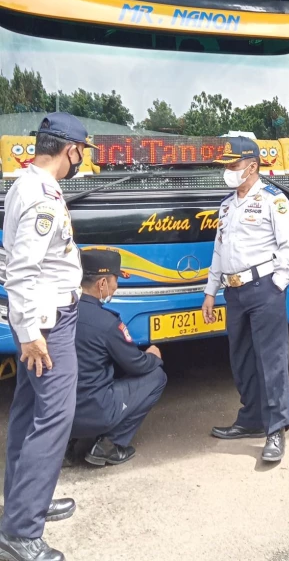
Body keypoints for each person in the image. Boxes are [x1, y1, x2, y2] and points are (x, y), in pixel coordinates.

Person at [0, 113, 93, 561]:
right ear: (70, 150)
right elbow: (21, 270)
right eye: (82, 153)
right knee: (54, 418)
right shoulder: (41, 197)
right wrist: (31, 334)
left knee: (27, 411)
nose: (81, 162)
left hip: (43, 321)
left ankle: (23, 503)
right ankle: (20, 530)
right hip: (48, 325)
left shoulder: (30, 183)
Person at [202, 137, 289, 463]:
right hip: (234, 292)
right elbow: (219, 250)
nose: (228, 171)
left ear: (252, 166)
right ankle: (251, 419)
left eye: (234, 165)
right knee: (241, 359)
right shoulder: (227, 205)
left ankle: (276, 430)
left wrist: (278, 284)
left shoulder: (274, 200)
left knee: (271, 361)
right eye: (227, 165)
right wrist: (210, 292)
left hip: (263, 288)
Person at [68, 249, 166, 467]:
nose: (116, 286)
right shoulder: (107, 323)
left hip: (58, 414)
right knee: (157, 377)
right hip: (96, 413)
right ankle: (109, 446)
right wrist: (153, 356)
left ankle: (65, 448)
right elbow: (137, 364)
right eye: (115, 281)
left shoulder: (62, 313)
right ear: (102, 283)